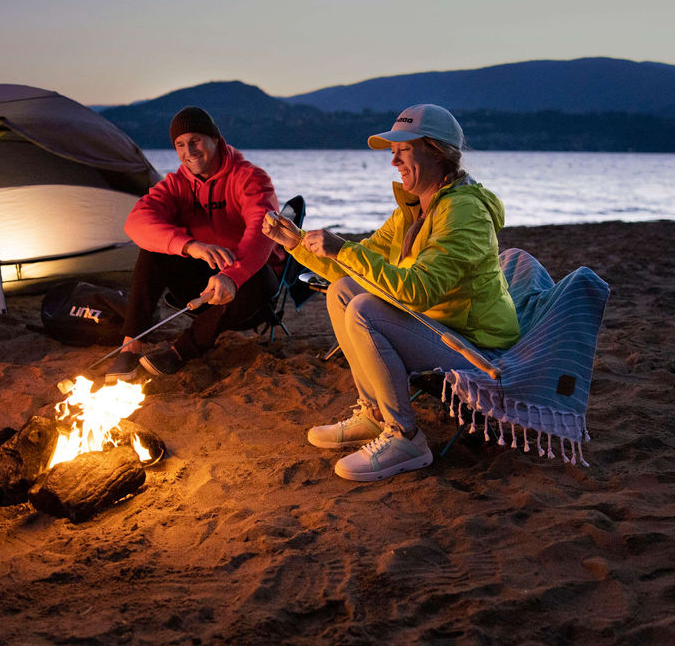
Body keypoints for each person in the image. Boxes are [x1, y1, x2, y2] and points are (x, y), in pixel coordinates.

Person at [263, 104, 519, 481]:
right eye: (392, 151)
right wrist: (297, 243)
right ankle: (375, 413)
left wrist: (342, 248)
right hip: (441, 330)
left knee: (365, 309)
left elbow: (418, 291)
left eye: (403, 149)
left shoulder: (464, 213)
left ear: (437, 151)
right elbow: (354, 266)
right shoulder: (413, 210)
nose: (393, 161)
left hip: (479, 348)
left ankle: (406, 437)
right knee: (344, 290)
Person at [107, 106, 281, 379]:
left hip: (249, 287)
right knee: (153, 251)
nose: (189, 151)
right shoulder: (176, 184)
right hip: (200, 283)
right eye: (180, 144)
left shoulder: (250, 178)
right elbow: (136, 222)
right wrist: (190, 246)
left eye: (196, 141)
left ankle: (180, 352)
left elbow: (262, 230)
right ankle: (131, 347)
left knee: (257, 275)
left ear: (216, 140)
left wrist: (232, 276)